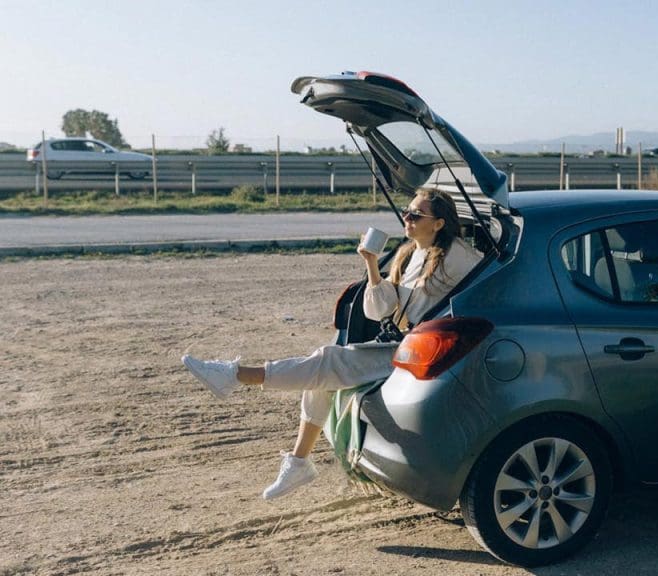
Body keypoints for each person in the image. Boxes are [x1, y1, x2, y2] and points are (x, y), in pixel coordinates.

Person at [181, 189, 482, 500]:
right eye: (407, 211)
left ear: (439, 224)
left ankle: (234, 375)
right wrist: (371, 264)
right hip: (399, 341)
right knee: (319, 379)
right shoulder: (409, 253)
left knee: (327, 362)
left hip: (423, 348)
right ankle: (298, 461)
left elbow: (488, 280)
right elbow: (379, 310)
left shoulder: (459, 257)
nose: (407, 217)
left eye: (416, 214)